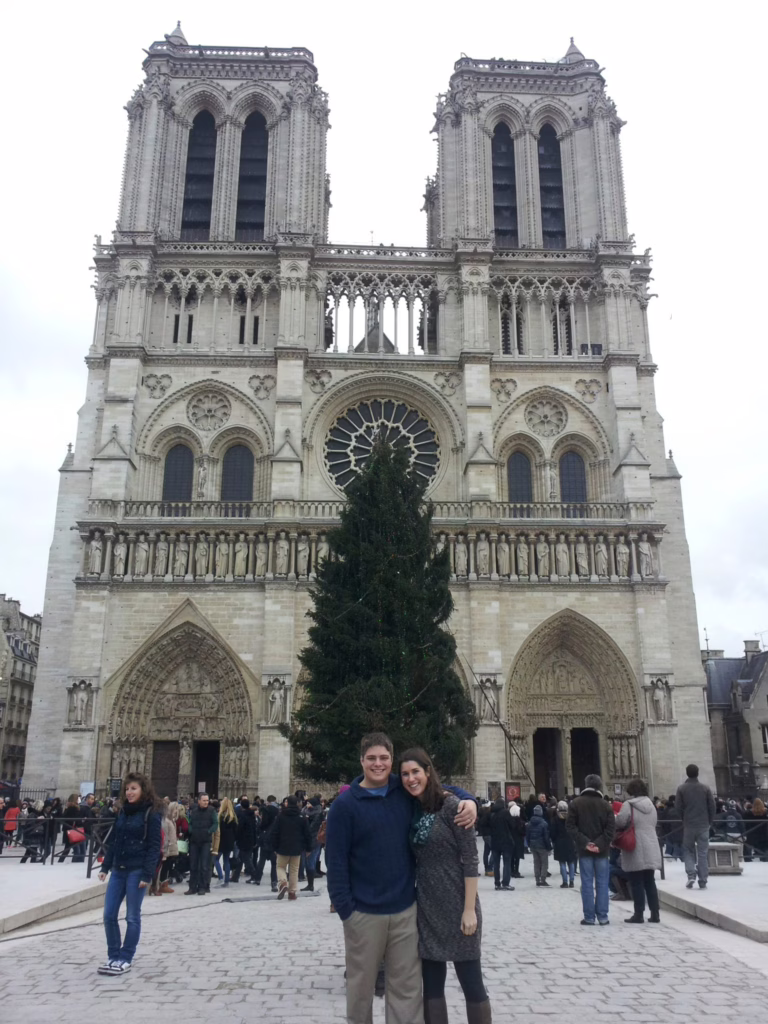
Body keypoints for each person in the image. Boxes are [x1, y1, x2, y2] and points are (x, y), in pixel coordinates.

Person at [326, 732, 476, 1024]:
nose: (378, 764)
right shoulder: (345, 806)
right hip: (363, 914)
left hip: (406, 911)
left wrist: (470, 800)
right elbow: (336, 863)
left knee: (407, 991)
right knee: (360, 990)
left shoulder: (402, 791)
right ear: (361, 761)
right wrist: (347, 911)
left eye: (384, 758)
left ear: (391, 760)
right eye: (371, 758)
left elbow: (435, 788)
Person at [399, 748, 491, 1024]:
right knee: (432, 986)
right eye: (405, 774)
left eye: (416, 771)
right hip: (427, 905)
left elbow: (470, 859)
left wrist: (469, 909)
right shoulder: (412, 808)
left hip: (458, 902)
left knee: (471, 981)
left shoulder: (452, 806)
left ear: (428, 772)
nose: (411, 778)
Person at [97, 772, 163, 974]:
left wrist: (147, 874)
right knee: (109, 914)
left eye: (133, 788)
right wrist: (105, 867)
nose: (129, 792)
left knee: (132, 916)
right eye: (127, 789)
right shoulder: (123, 812)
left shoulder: (151, 813)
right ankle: (113, 956)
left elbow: (154, 847)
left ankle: (126, 957)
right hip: (119, 869)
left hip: (137, 870)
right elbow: (115, 841)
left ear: (143, 790)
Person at [566, 774, 615, 926]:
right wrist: (599, 843)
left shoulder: (576, 803)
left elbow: (570, 827)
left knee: (586, 883)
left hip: (584, 850)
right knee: (602, 883)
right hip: (602, 850)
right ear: (600, 786)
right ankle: (603, 916)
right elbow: (610, 829)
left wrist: (586, 843)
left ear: (585, 784)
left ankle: (589, 917)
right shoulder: (606, 805)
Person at [615, 779, 661, 923]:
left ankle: (639, 914)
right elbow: (654, 822)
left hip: (635, 844)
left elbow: (620, 822)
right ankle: (655, 914)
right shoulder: (651, 804)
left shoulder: (628, 804)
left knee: (636, 882)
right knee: (650, 881)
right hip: (651, 843)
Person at [675, 763, 715, 890]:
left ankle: (691, 875)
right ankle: (703, 880)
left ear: (687, 773)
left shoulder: (681, 788)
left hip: (689, 825)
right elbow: (712, 806)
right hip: (703, 824)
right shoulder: (705, 788)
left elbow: (678, 807)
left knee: (688, 850)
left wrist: (684, 819)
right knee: (703, 853)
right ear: (698, 773)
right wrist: (709, 821)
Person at [272, 795, 312, 900]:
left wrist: (274, 847)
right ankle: (292, 892)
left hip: (282, 846)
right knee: (294, 870)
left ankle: (283, 882)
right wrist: (308, 848)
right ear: (297, 803)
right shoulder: (302, 816)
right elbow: (307, 833)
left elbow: (275, 832)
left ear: (287, 803)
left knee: (280, 867)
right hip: (297, 847)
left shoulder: (281, 816)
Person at [185, 793, 218, 896]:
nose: (206, 802)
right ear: (199, 801)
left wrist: (209, 831)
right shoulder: (194, 811)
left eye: (207, 800)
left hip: (205, 841)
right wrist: (191, 830)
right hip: (194, 841)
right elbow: (190, 822)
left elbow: (215, 823)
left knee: (204, 865)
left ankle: (202, 887)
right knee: (193, 865)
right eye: (204, 800)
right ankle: (192, 887)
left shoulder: (211, 811)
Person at [488, 797, 516, 891]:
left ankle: (497, 883)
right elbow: (512, 825)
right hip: (506, 840)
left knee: (496, 864)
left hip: (495, 841)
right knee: (507, 862)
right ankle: (505, 883)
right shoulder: (505, 813)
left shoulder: (491, 814)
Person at [254, 795, 279, 892]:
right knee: (274, 863)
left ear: (267, 801)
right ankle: (274, 881)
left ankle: (257, 878)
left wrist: (260, 828)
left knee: (262, 860)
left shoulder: (265, 810)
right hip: (274, 838)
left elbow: (264, 823)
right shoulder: (277, 810)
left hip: (265, 837)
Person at [550, 800, 577, 888]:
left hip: (559, 842)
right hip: (570, 841)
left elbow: (552, 832)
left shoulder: (555, 819)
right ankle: (572, 881)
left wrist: (554, 840)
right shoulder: (570, 818)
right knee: (571, 862)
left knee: (562, 862)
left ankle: (565, 882)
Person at [526, 804, 552, 886]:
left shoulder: (529, 823)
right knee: (544, 863)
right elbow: (546, 837)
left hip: (533, 845)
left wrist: (529, 844)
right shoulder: (544, 823)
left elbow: (527, 836)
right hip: (542, 846)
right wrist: (549, 847)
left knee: (536, 863)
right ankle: (543, 880)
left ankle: (537, 879)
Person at [216, 798, 238, 888]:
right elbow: (236, 830)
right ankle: (226, 880)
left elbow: (218, 829)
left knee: (215, 859)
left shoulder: (221, 816)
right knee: (226, 860)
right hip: (230, 841)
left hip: (221, 840)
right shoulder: (233, 816)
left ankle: (221, 877)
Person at [508, 802, 525, 879]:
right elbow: (522, 832)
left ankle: (512, 870)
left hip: (511, 840)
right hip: (518, 840)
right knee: (517, 857)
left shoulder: (509, 820)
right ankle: (516, 871)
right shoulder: (519, 821)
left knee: (512, 856)